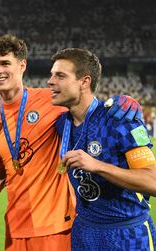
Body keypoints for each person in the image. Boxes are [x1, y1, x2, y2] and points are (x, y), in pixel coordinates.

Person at [0, 34, 144, 251]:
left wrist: (126, 100)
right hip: (14, 230)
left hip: (57, 227)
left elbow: (87, 104)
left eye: (5, 63)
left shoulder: (52, 100)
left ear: (22, 65)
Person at [49, 48, 156, 250]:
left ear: (84, 82)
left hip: (127, 233)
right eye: (52, 74)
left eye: (60, 76)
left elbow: (153, 181)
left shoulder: (120, 119)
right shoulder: (62, 123)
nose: (50, 81)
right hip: (84, 231)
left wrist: (98, 166)